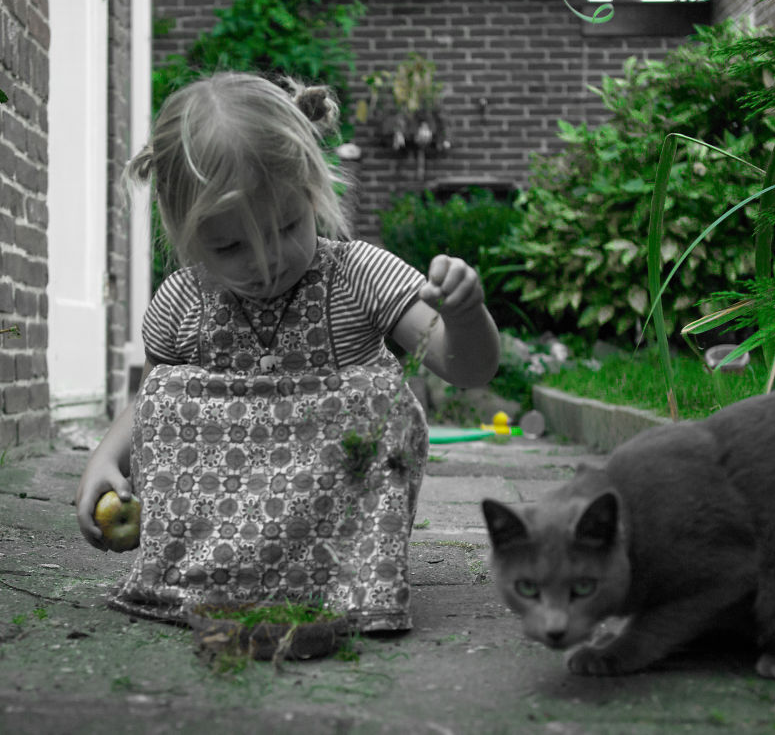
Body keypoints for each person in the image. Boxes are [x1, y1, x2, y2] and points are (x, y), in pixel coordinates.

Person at [75, 71, 500, 627]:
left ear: (313, 191)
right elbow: (149, 406)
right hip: (223, 522)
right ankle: (195, 574)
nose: (266, 260)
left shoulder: (358, 277)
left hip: (333, 519)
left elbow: (462, 368)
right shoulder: (182, 300)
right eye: (229, 246)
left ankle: (353, 584)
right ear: (185, 234)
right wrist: (106, 459)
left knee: (378, 401)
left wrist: (464, 316)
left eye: (286, 226)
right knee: (169, 392)